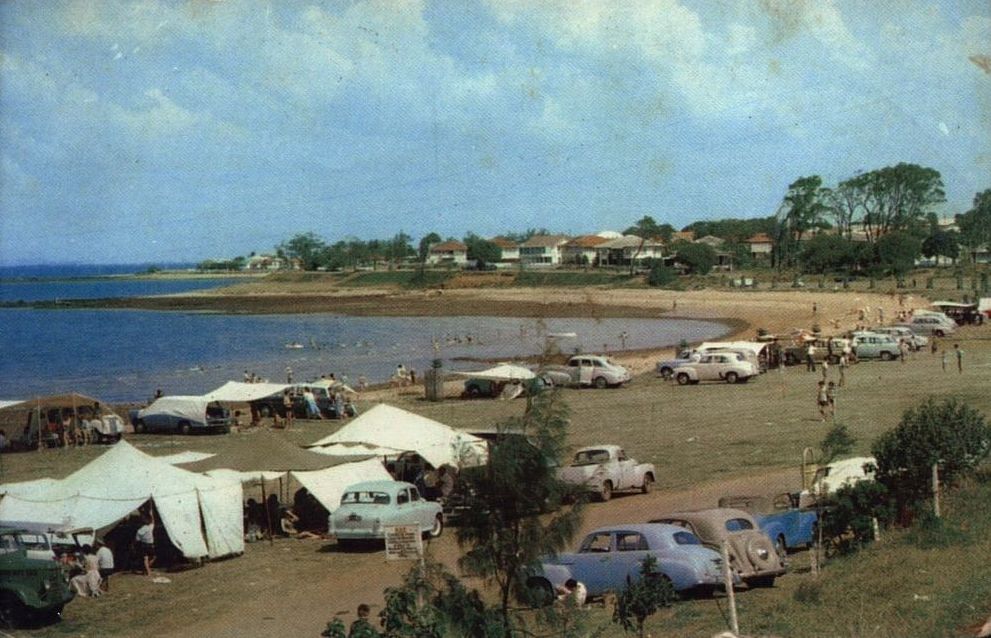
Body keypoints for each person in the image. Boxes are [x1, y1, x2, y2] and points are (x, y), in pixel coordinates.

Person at [135, 511, 156, 576]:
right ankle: (147, 569)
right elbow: (153, 522)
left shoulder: (139, 531)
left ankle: (147, 570)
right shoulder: (149, 528)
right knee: (153, 557)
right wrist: (152, 515)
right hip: (150, 544)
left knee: (145, 558)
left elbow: (137, 540)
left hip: (143, 545)